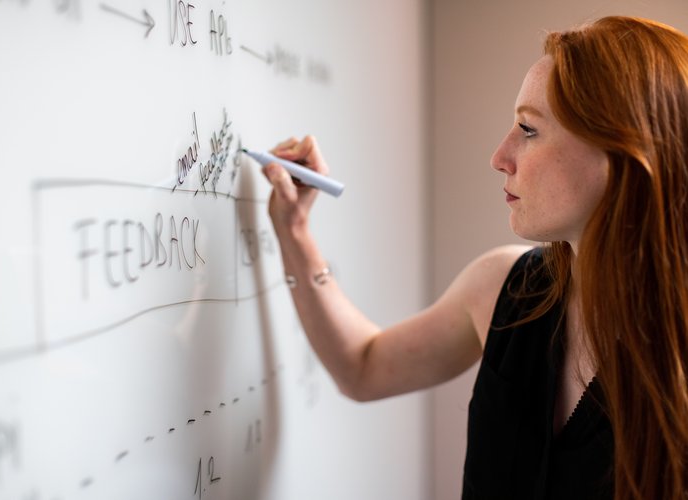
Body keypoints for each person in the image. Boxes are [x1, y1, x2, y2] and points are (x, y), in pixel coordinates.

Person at [261, 15, 688, 500]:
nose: (499, 156)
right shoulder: (505, 288)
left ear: (620, 155)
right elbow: (362, 367)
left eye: (528, 129)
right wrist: (295, 233)